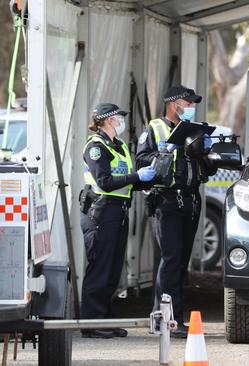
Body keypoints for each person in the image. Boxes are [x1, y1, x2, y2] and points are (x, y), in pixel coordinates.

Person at [135, 86, 213, 338]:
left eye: (192, 103)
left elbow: (206, 168)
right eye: (187, 102)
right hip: (167, 200)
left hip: (190, 199)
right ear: (173, 103)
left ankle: (175, 318)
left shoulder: (195, 129)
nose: (191, 107)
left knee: (180, 262)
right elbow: (141, 160)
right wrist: (164, 153)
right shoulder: (155, 128)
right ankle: (162, 319)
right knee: (170, 260)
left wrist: (205, 150)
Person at [79, 103, 156, 339]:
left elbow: (128, 181)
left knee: (113, 270)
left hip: (119, 211)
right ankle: (92, 323)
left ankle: (106, 318)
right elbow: (105, 181)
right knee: (100, 267)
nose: (122, 121)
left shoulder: (119, 146)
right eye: (120, 117)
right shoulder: (96, 147)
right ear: (110, 120)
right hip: (101, 212)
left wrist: (151, 178)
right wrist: (136, 176)